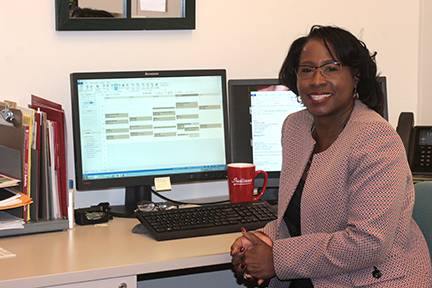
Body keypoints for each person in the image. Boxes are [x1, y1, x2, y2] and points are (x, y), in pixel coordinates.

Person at [230, 25, 432, 287]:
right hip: (317, 274)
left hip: (372, 280)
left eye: (331, 68)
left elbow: (368, 243)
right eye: (307, 69)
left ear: (355, 76)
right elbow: (299, 217)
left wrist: (275, 258)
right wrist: (261, 239)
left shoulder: (376, 139)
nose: (317, 80)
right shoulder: (295, 127)